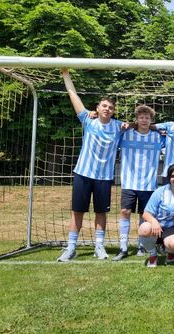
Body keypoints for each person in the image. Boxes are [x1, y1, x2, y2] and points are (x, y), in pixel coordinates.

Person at [57, 68, 126, 262]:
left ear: (113, 111)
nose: (107, 109)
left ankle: (99, 246)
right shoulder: (88, 120)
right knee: (77, 211)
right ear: (97, 108)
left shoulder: (119, 126)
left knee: (101, 212)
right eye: (104, 106)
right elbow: (73, 95)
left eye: (110, 108)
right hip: (83, 173)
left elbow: (140, 125)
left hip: (104, 177)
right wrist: (65, 74)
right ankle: (71, 247)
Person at [112, 104, 163, 261]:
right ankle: (123, 247)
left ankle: (142, 245)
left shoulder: (158, 137)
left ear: (151, 120)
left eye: (147, 117)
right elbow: (113, 136)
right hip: (129, 182)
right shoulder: (126, 134)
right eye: (141, 117)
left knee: (144, 215)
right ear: (137, 119)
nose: (144, 120)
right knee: (125, 212)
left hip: (148, 184)